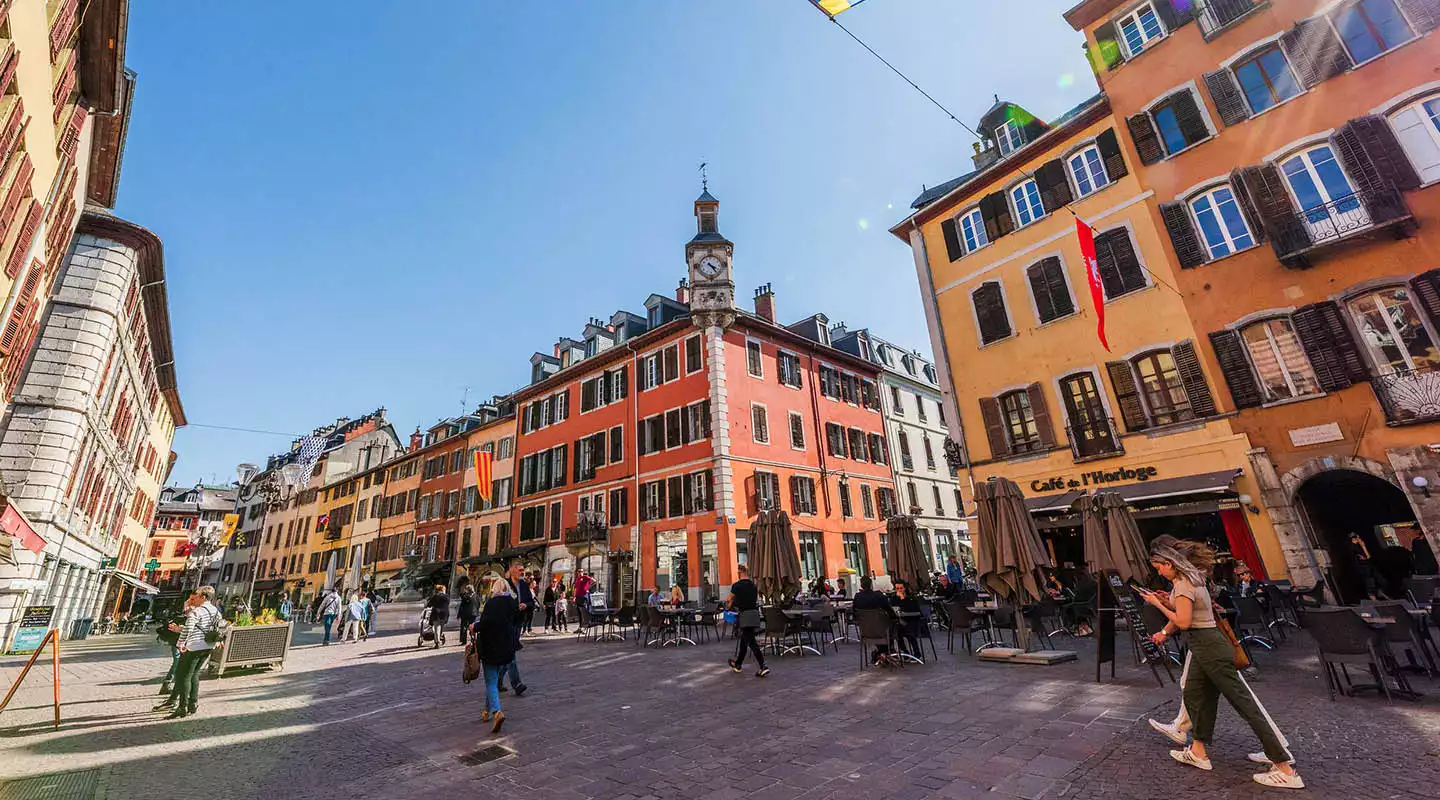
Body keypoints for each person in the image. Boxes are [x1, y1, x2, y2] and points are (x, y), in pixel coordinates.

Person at [1139, 539, 1302, 790]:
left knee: (1243, 702)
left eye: (1159, 567)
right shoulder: (1193, 580)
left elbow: (1183, 622)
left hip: (1208, 647)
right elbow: (1188, 610)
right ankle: (1198, 751)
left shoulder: (1182, 583)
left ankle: (1284, 767)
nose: (1158, 572)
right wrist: (1168, 602)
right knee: (1194, 694)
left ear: (1170, 564)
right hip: (1204, 645)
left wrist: (1158, 604)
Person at [164, 586, 222, 719]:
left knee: (183, 675)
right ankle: (193, 703)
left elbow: (189, 628)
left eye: (196, 597)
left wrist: (180, 643)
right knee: (195, 674)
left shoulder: (197, 611)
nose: (193, 599)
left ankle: (182, 707)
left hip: (194, 646)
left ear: (203, 597)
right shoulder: (216, 611)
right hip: (208, 646)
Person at [473, 576, 519, 734]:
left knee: (491, 681)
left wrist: (474, 626)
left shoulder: (492, 603)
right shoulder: (512, 603)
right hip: (506, 647)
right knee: (492, 679)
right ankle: (486, 711)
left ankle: (497, 712)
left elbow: (486, 623)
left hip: (491, 647)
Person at [726, 564, 769, 678]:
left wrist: (729, 606)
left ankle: (763, 666)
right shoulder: (753, 585)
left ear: (740, 573)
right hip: (754, 614)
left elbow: (729, 600)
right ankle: (738, 664)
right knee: (745, 640)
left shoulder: (736, 585)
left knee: (751, 641)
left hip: (745, 615)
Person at [497, 561, 531, 696]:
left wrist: (525, 605)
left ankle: (497, 680)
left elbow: (531, 601)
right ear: (512, 571)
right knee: (510, 652)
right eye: (520, 570)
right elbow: (497, 601)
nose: (522, 572)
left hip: (518, 621)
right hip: (506, 622)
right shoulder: (504, 584)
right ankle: (516, 683)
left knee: (509, 652)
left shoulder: (523, 585)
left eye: (523, 570)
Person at [852, 576, 894, 664]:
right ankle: (886, 652)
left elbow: (854, 613)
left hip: (866, 632)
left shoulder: (857, 597)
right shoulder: (878, 596)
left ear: (861, 585)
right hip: (882, 632)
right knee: (893, 625)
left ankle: (881, 653)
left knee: (876, 626)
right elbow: (889, 611)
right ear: (871, 584)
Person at [892, 579, 923, 659]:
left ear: (905, 588)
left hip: (913, 621)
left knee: (908, 629)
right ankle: (905, 652)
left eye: (901, 588)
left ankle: (917, 653)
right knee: (895, 630)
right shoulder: (894, 598)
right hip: (900, 622)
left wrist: (903, 599)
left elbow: (914, 611)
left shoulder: (911, 598)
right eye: (897, 588)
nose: (899, 590)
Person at [1351, 532, 1379, 600]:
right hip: (1363, 569)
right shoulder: (1354, 548)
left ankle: (1373, 595)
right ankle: (1372, 597)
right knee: (1368, 583)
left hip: (1367, 568)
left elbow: (1368, 557)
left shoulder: (1358, 546)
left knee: (1372, 581)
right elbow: (1368, 556)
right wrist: (1363, 546)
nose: (1359, 539)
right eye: (1358, 538)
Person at [424, 583, 449, 648]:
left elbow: (429, 604)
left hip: (436, 614)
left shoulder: (436, 596)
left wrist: (428, 605)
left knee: (437, 628)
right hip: (444, 614)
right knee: (441, 628)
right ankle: (439, 638)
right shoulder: (447, 596)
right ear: (444, 590)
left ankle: (437, 642)